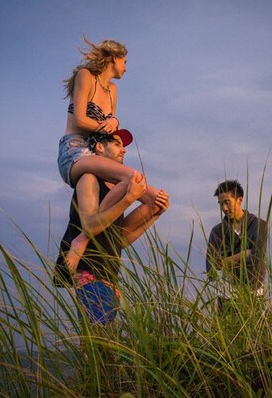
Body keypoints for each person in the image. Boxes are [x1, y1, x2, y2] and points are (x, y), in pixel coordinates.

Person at [57, 37, 161, 271]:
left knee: (154, 199)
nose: (126, 67)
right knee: (133, 179)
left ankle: (112, 246)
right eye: (125, 61)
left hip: (97, 151)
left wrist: (113, 121)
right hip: (74, 150)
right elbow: (80, 119)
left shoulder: (113, 90)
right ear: (114, 58)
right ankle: (83, 238)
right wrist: (108, 124)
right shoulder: (86, 76)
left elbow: (108, 132)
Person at [55, 130, 169, 325]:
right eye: (117, 144)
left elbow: (120, 240)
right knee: (100, 343)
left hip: (109, 275)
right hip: (90, 272)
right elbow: (90, 225)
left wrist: (154, 214)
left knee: (103, 345)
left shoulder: (114, 188)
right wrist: (128, 199)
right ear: (99, 147)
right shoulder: (88, 178)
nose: (123, 150)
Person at [205, 180, 268, 312]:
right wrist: (243, 254)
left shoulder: (259, 225)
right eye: (220, 204)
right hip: (226, 297)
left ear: (239, 200)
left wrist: (225, 262)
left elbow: (256, 262)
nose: (224, 208)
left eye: (227, 202)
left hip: (254, 296)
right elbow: (211, 271)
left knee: (256, 332)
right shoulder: (217, 232)